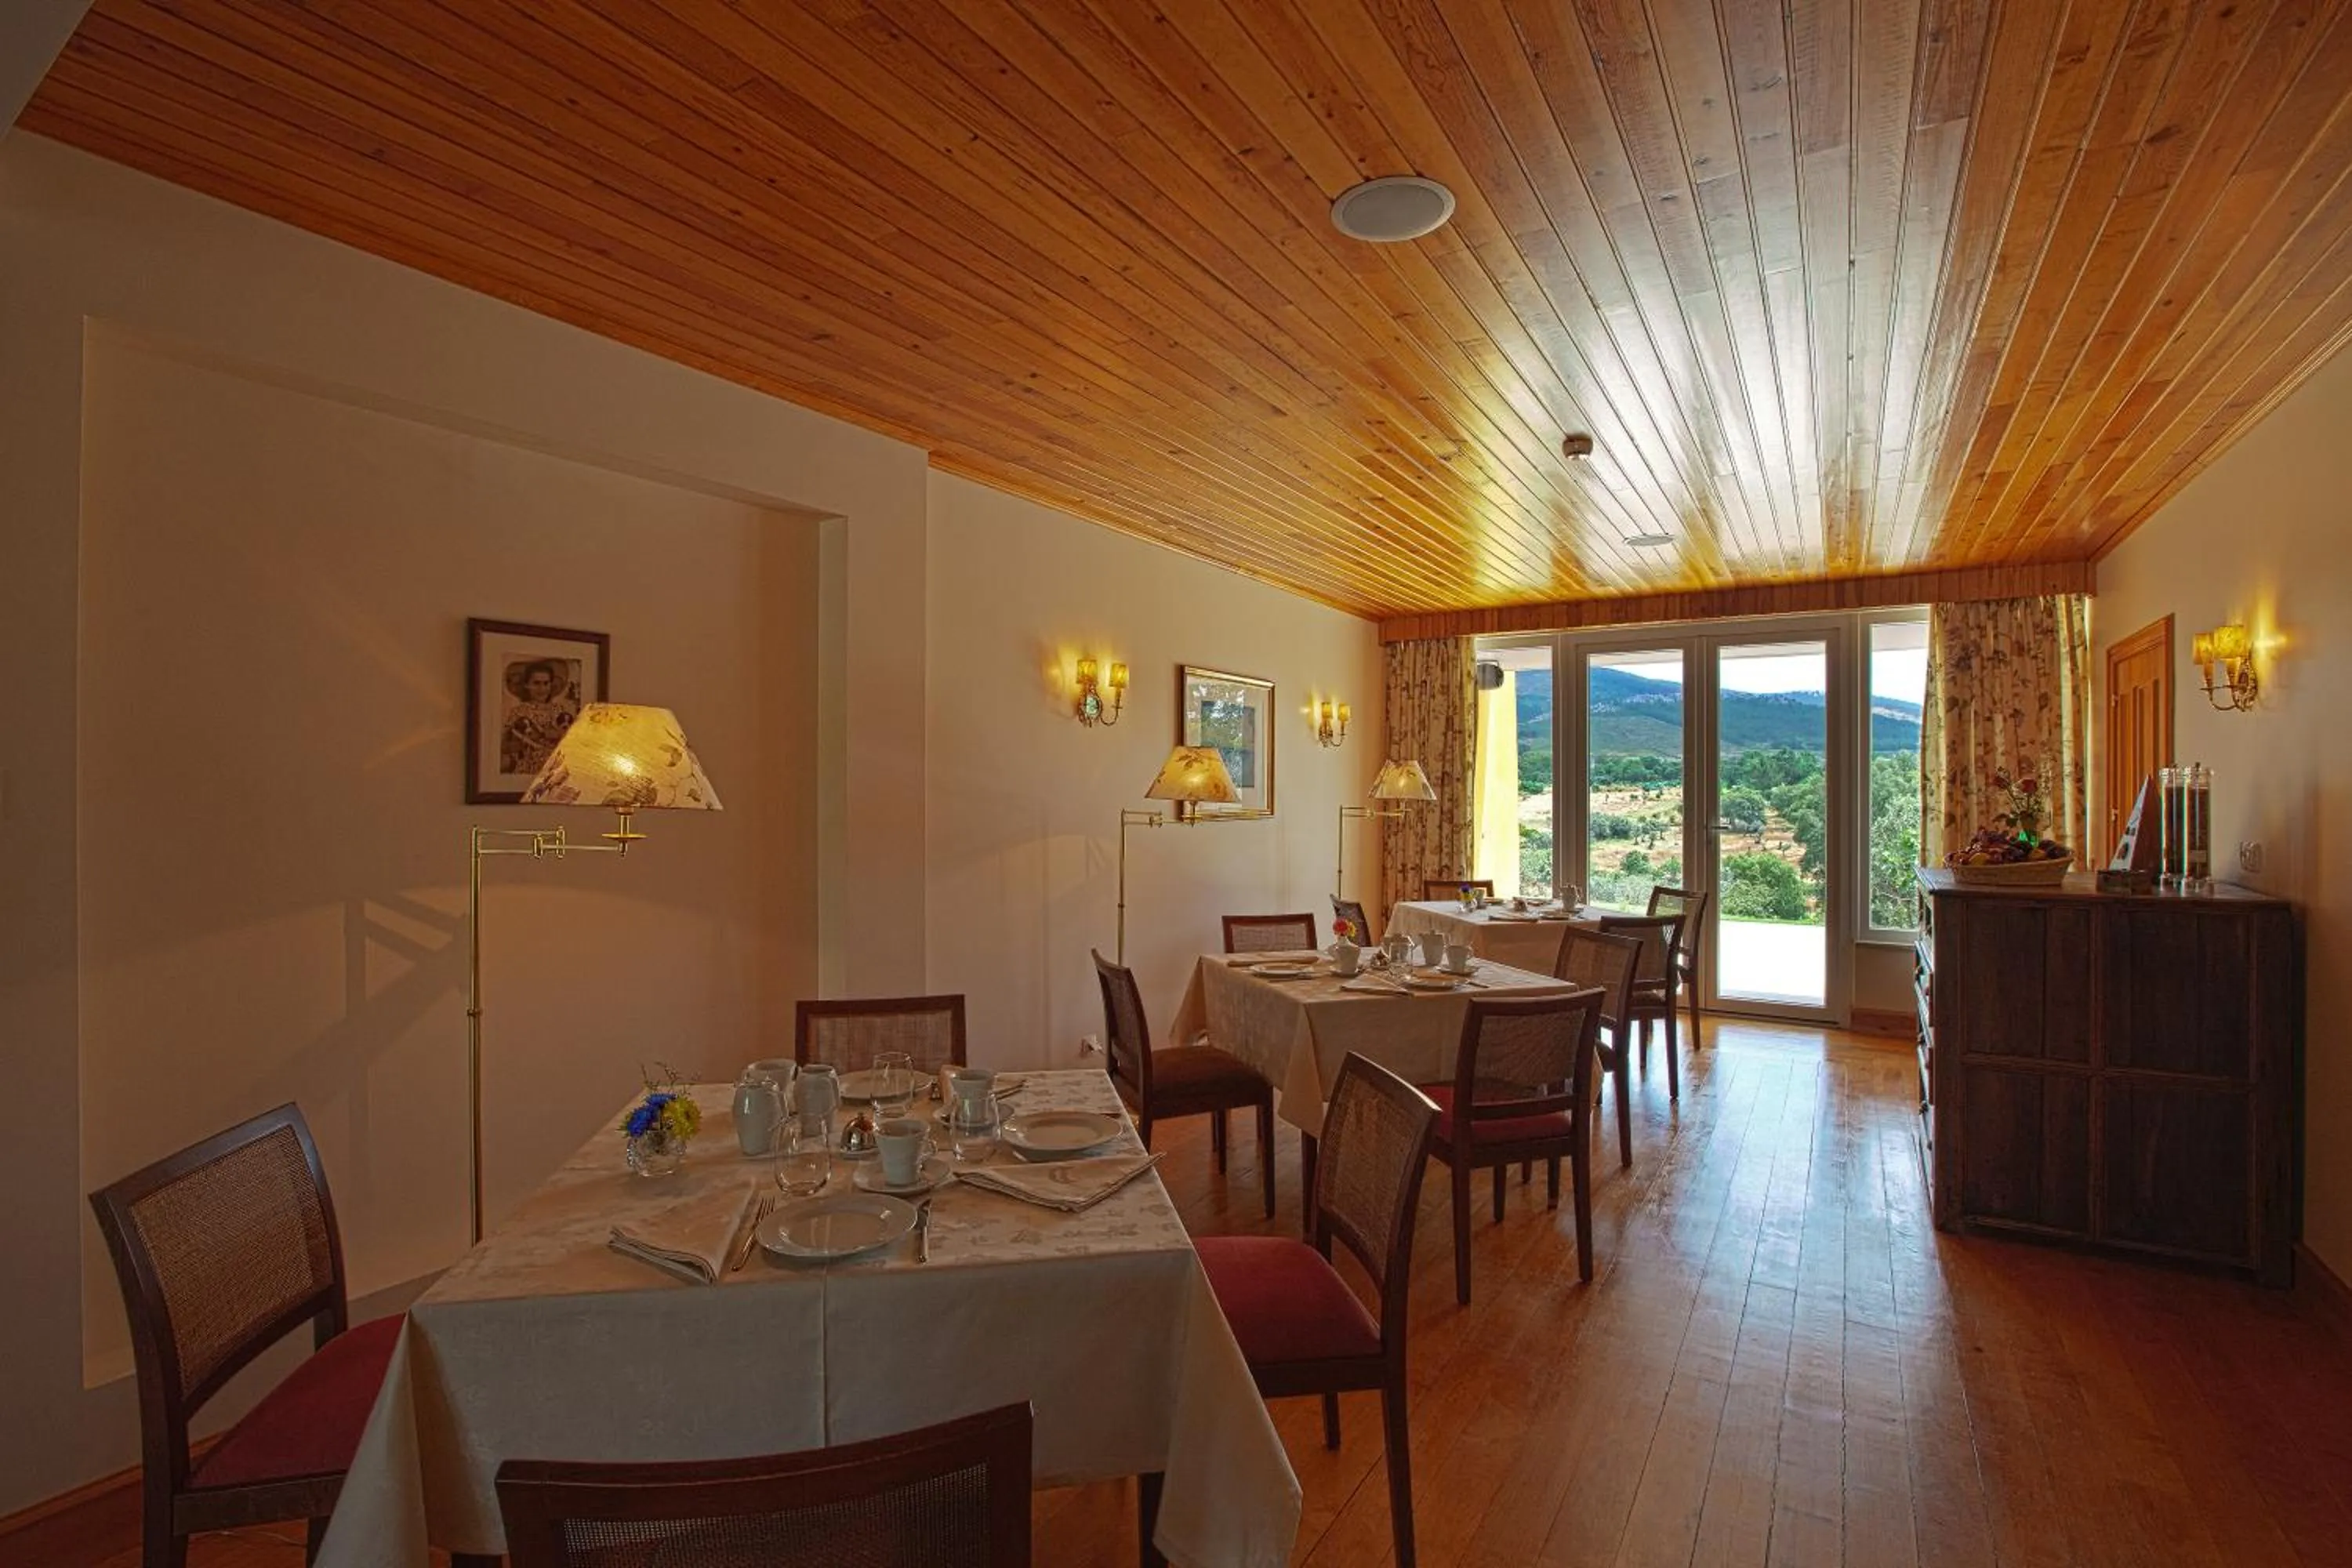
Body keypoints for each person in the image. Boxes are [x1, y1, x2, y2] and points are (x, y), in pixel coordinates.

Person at [500, 658, 578, 775]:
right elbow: (505, 745)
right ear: (527, 685)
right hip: (527, 771)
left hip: (554, 771)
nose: (542, 689)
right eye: (536, 683)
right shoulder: (519, 711)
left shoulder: (559, 710)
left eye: (546, 683)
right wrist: (521, 744)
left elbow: (570, 739)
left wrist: (544, 734)